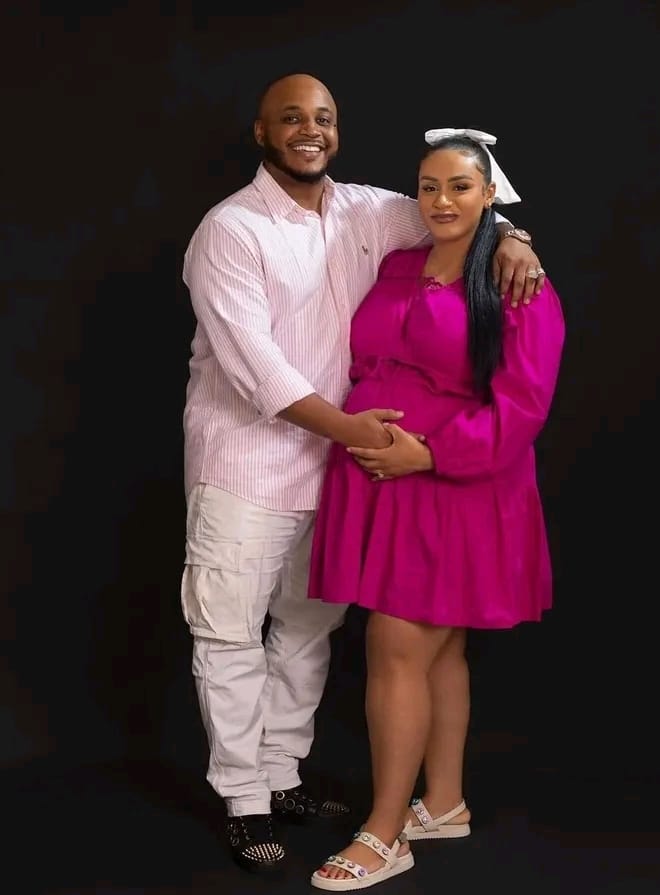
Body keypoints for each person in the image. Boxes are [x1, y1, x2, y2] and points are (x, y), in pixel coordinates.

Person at [181, 72, 546, 874]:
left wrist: (515, 237)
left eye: (323, 117)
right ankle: (244, 799)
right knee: (231, 632)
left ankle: (283, 776)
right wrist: (358, 432)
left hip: (348, 475)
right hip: (252, 463)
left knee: (307, 630)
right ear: (262, 132)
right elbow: (258, 370)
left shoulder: (365, 210)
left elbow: (461, 204)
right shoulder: (230, 230)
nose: (309, 129)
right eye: (290, 118)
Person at [308, 129, 565, 890]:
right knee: (439, 651)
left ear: (490, 194)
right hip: (384, 482)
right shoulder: (397, 261)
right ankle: (445, 802)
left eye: (459, 186)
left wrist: (427, 453)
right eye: (428, 186)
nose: (441, 200)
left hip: (457, 484)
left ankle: (385, 833)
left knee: (396, 646)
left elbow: (523, 406)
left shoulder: (518, 284)